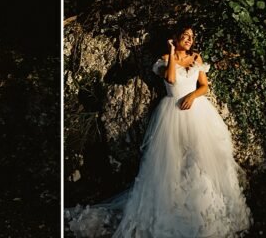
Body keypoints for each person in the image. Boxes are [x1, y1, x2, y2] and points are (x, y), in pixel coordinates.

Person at [67, 27, 251, 237]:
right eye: (185, 36)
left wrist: (192, 96)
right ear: (175, 38)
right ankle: (173, 207)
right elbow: (171, 80)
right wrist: (172, 52)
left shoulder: (196, 58)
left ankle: (204, 209)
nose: (189, 40)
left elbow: (204, 86)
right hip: (172, 112)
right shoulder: (165, 58)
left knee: (199, 158)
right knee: (172, 161)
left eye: (192, 37)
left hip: (197, 112)